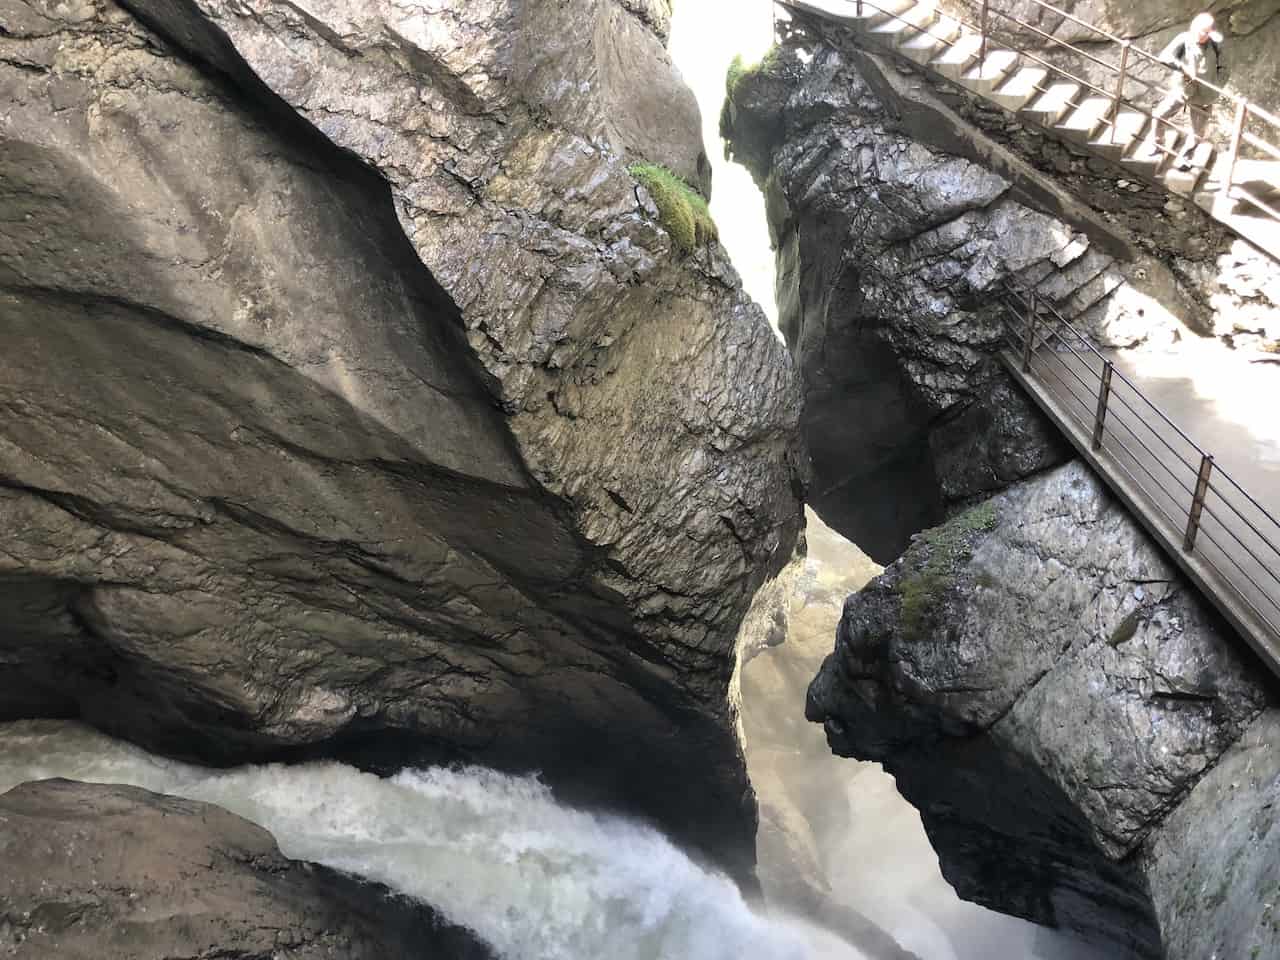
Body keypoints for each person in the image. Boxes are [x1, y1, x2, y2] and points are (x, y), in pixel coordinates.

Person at [1152, 13, 1226, 170]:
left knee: (1197, 132)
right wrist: (1182, 68)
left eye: (1207, 32)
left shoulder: (1216, 44)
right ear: (1194, 27)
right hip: (1182, 88)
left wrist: (1216, 86)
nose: (1204, 35)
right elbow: (1164, 57)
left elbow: (1225, 68)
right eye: (1202, 31)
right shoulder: (1184, 39)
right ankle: (1158, 144)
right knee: (1159, 114)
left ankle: (1186, 157)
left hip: (1205, 95)